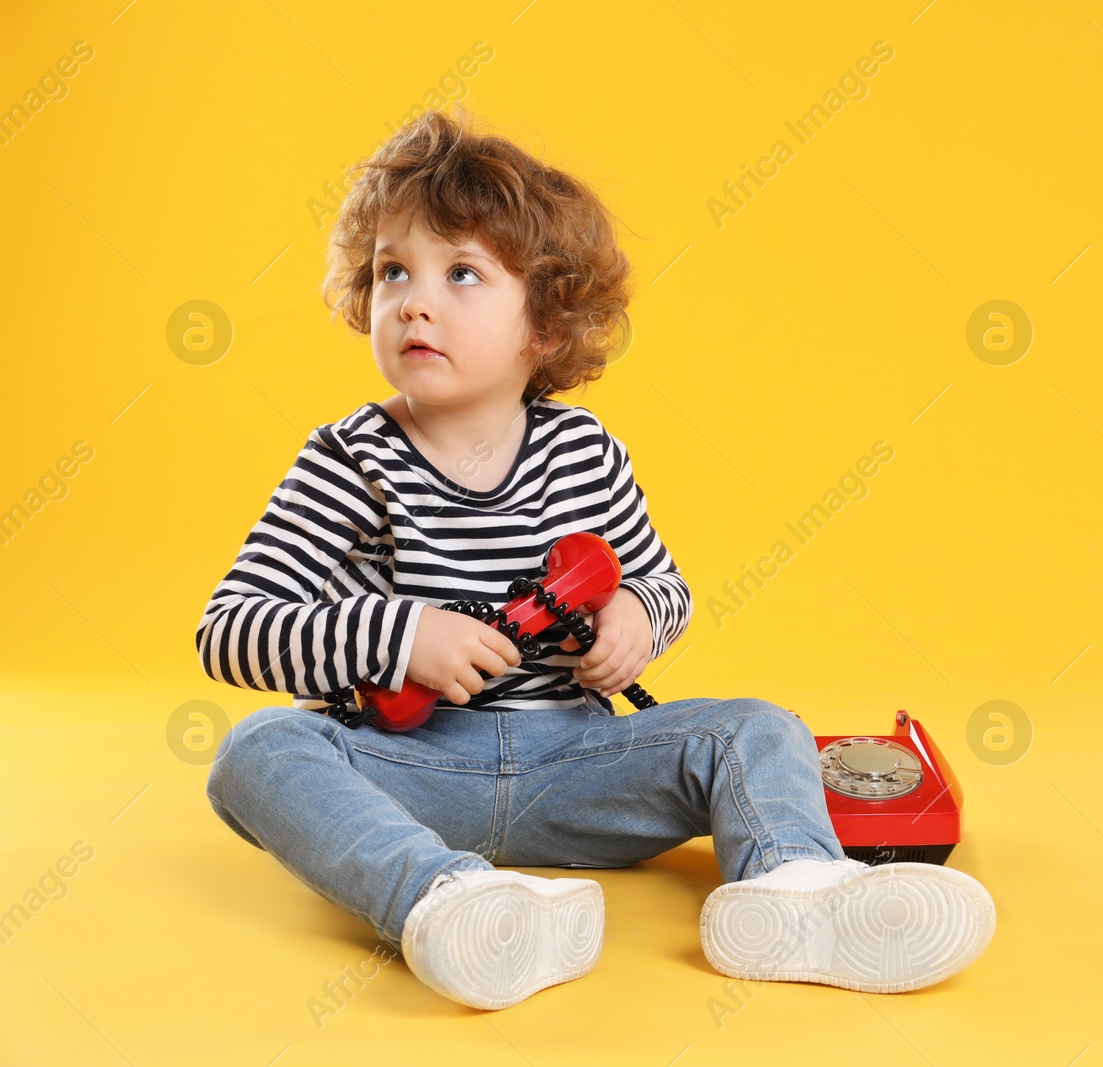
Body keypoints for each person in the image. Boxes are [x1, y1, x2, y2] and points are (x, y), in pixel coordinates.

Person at [197, 106, 995, 1011]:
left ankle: (795, 894)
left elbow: (663, 584)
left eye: (461, 272)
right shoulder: (346, 459)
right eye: (391, 272)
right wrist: (401, 635)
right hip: (410, 768)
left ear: (545, 323)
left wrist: (635, 619)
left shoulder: (582, 450)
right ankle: (446, 899)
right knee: (258, 749)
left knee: (757, 725)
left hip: (576, 765)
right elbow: (231, 630)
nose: (413, 299)